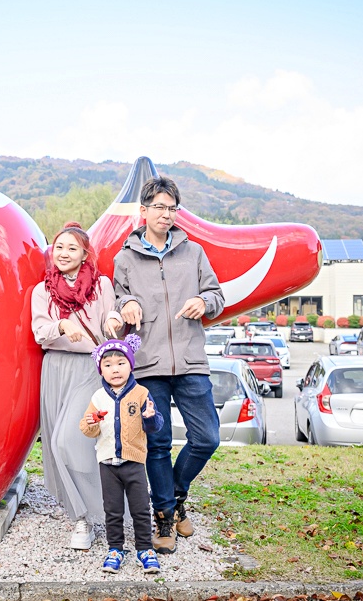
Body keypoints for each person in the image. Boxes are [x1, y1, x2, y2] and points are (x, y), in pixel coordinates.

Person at [112, 175, 225, 554]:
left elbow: (216, 295)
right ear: (143, 211)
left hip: (191, 361)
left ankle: (174, 497)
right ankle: (164, 517)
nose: (166, 214)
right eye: (159, 207)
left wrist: (204, 302)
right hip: (149, 364)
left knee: (207, 438)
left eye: (172, 208)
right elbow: (117, 299)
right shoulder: (125, 258)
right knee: (158, 443)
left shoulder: (193, 253)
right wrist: (126, 304)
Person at [31, 221, 123, 549]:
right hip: (55, 370)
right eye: (59, 247)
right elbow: (39, 332)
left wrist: (114, 320)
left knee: (68, 441)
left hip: (89, 368)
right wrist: (61, 325)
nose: (64, 253)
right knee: (59, 447)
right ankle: (82, 519)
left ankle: (102, 510)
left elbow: (109, 318)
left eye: (72, 248)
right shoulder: (42, 290)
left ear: (85, 254)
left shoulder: (101, 285)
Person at [80, 334, 164, 574]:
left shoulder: (141, 393)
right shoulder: (98, 397)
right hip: (107, 464)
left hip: (134, 462)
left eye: (120, 363)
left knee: (140, 508)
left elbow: (155, 425)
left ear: (130, 365)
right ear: (101, 370)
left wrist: (150, 417)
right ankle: (115, 549)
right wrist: (91, 423)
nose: (115, 369)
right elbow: (87, 428)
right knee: (112, 509)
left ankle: (144, 549)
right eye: (107, 365)